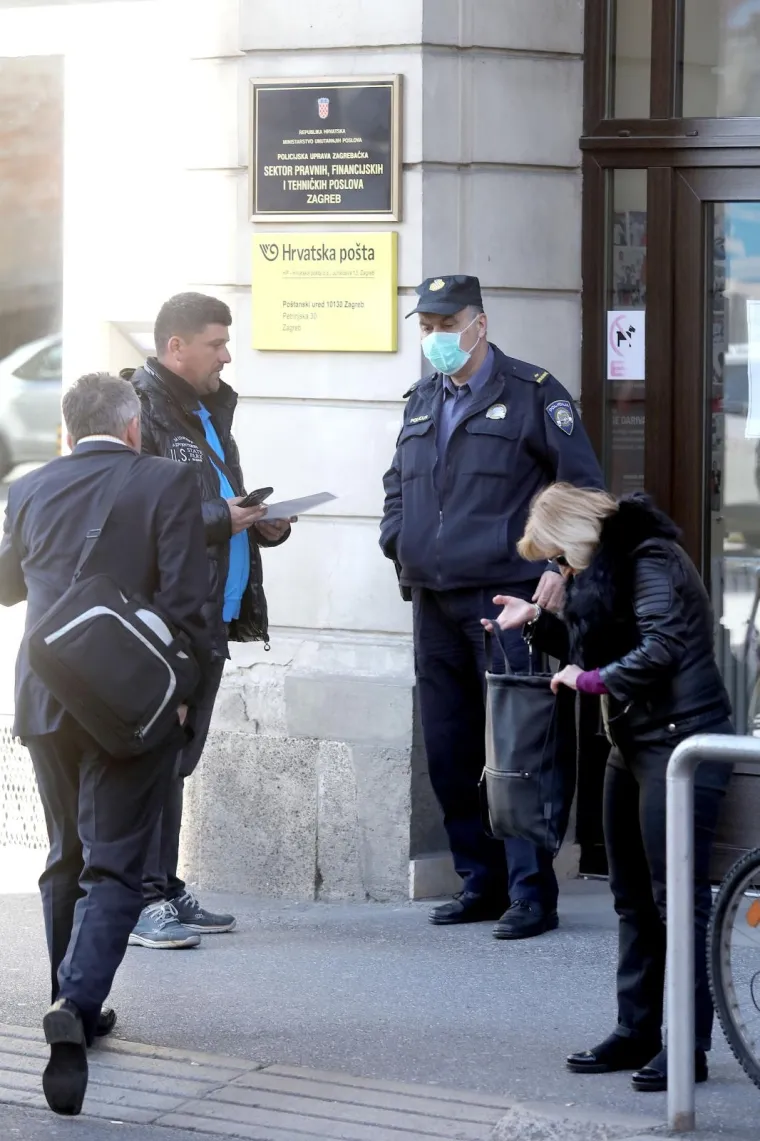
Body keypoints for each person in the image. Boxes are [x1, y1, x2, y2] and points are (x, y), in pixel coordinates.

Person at [0, 373, 210, 1114]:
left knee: (65, 854)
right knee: (117, 863)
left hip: (45, 692)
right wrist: (188, 700)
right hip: (129, 699)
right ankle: (77, 1003)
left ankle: (73, 1001)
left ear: (66, 431)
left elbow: (5, 587)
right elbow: (190, 604)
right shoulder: (168, 482)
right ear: (132, 430)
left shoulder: (27, 487)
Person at [487, 484, 733, 1091]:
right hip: (632, 743)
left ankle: (688, 1049)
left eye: (560, 558)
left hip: (682, 742)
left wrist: (592, 680)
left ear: (578, 537)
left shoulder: (649, 558)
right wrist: (540, 622)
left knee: (677, 901)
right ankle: (636, 1030)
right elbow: (592, 644)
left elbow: (661, 648)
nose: (560, 570)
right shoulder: (606, 568)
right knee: (632, 899)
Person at [379, 275, 604, 939]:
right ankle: (481, 879)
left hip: (507, 598)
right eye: (424, 326)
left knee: (519, 745)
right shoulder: (421, 400)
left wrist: (559, 568)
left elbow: (584, 491)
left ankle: (532, 891)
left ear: (479, 323)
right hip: (434, 600)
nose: (434, 338)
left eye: (445, 324)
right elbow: (397, 485)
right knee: (449, 750)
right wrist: (399, 537)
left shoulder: (535, 394)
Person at [121, 292, 293, 949]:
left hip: (209, 613)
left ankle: (164, 884)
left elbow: (216, 501)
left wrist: (260, 525)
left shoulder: (206, 406)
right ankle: (140, 897)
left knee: (176, 759)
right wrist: (227, 517)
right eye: (216, 343)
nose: (227, 354)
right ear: (176, 347)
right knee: (154, 756)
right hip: (165, 617)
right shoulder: (139, 409)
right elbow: (139, 516)